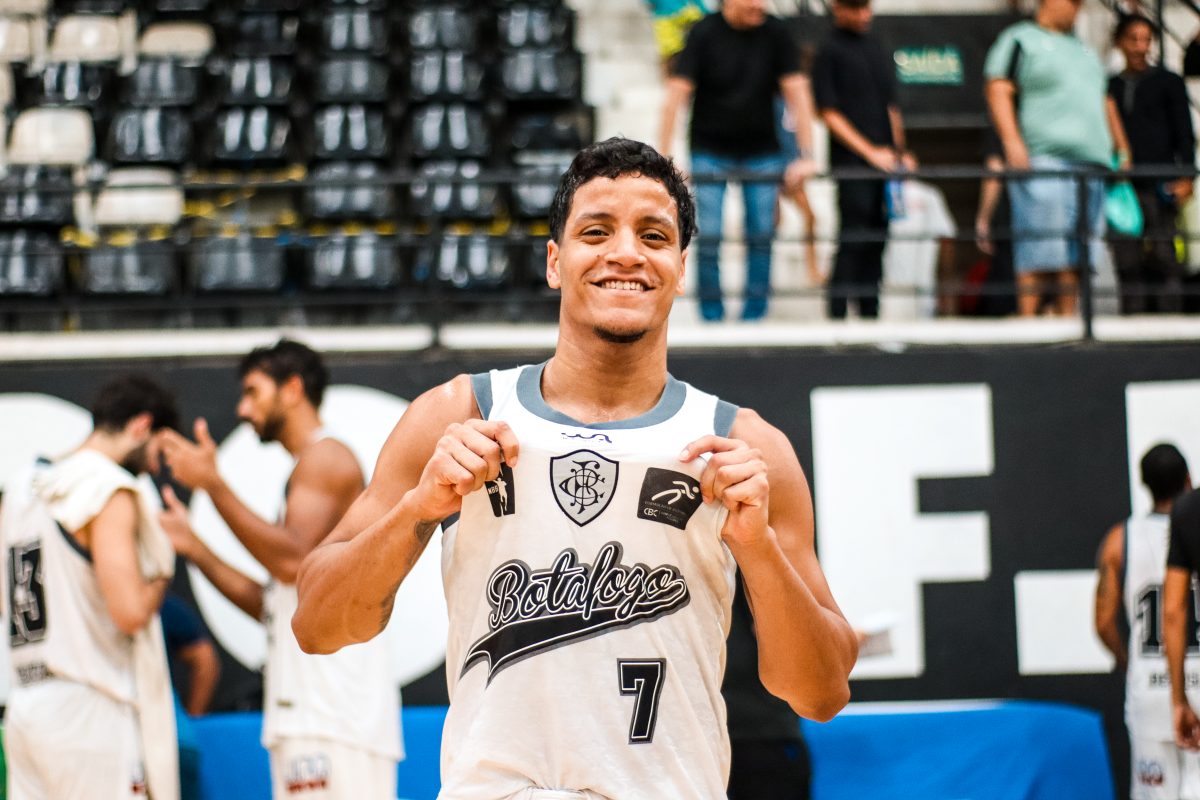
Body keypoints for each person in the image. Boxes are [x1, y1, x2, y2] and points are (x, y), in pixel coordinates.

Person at [291, 137, 858, 799]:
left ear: (680, 267)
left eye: (653, 235)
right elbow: (318, 626)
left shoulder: (744, 445)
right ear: (555, 262)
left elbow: (820, 693)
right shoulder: (459, 413)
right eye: (596, 232)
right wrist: (418, 509)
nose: (626, 253)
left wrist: (757, 547)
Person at [158, 339, 401, 800]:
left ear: (292, 389)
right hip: (309, 716)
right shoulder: (308, 469)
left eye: (253, 392)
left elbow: (290, 561)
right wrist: (196, 548)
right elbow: (274, 607)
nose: (243, 408)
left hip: (335, 716)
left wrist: (213, 484)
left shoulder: (327, 458)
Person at [0, 374, 180, 800]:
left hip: (25, 707)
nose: (156, 468)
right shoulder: (107, 488)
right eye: (159, 452)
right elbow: (130, 613)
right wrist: (162, 571)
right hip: (88, 708)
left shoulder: (21, 490)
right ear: (142, 426)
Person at [659, 0, 816, 322]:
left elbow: (797, 92)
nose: (760, 5)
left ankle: (753, 317)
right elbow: (677, 93)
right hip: (709, 151)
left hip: (763, 153)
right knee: (709, 236)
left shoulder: (776, 32)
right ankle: (712, 317)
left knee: (761, 236)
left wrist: (806, 155)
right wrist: (665, 156)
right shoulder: (703, 33)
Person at [984, 0, 1131, 317]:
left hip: (1092, 165)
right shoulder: (1020, 39)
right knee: (1038, 248)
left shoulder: (1084, 49)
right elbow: (998, 88)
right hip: (1045, 161)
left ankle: (1068, 321)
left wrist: (1121, 147)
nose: (1078, 8)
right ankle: (1029, 323)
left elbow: (1104, 100)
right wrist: (1012, 141)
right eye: (1072, 1)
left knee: (1079, 253)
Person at [1096, 443, 1199, 799]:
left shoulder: (1120, 540)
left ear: (1144, 484)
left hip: (1151, 685)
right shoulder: (1194, 525)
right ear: (1189, 478)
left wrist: (1129, 662)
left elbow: (1104, 622)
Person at [812, 0, 916, 320]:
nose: (863, 15)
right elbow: (828, 112)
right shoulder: (828, 50)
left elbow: (891, 106)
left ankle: (871, 320)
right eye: (856, 8)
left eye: (866, 7)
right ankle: (838, 320)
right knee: (852, 240)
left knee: (878, 242)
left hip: (885, 166)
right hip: (852, 165)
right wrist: (870, 152)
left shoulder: (876, 46)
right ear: (838, 8)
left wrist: (899, 152)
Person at [1108, 14, 1195, 315]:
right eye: (1133, 39)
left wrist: (1187, 176)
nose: (1140, 47)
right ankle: (1131, 323)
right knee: (1127, 259)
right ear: (1119, 43)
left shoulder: (1168, 82)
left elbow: (1184, 132)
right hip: (1124, 188)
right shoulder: (1111, 87)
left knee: (1166, 256)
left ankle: (1170, 323)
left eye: (1146, 40)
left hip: (1162, 184)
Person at [161, 593, 221, 800]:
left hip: (165, 734)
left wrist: (193, 715)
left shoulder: (159, 604)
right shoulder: (159, 601)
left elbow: (205, 659)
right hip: (173, 734)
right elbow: (205, 658)